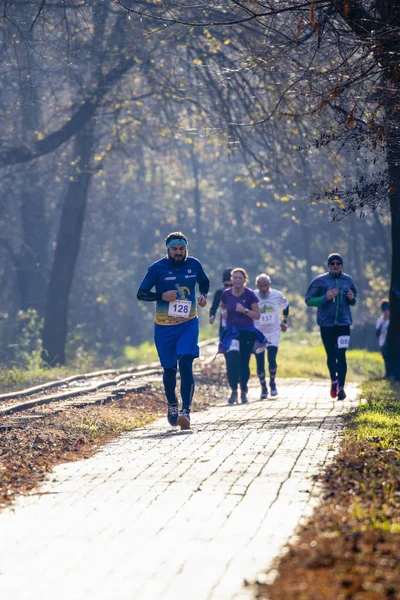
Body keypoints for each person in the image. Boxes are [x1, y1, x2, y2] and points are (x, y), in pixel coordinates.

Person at [137, 232, 209, 430]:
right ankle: (172, 405)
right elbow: (141, 294)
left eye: (181, 249)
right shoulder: (157, 268)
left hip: (188, 324)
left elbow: (204, 281)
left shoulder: (194, 264)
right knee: (169, 369)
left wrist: (203, 295)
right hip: (164, 327)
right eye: (174, 249)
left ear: (186, 249)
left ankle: (186, 411)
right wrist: (162, 295)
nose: (178, 253)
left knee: (186, 362)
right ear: (168, 250)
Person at [305, 253, 357, 400]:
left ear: (341, 265)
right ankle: (334, 380)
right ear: (328, 266)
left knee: (341, 354)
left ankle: (341, 386)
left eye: (338, 263)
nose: (335, 266)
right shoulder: (320, 281)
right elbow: (308, 300)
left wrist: (352, 299)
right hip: (326, 324)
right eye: (332, 263)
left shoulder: (348, 280)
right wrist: (325, 298)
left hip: (344, 323)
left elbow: (354, 299)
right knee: (331, 355)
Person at [219, 267, 263, 405]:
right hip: (232, 332)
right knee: (232, 360)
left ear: (245, 280)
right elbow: (221, 306)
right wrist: (223, 312)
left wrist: (245, 311)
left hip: (246, 332)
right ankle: (233, 391)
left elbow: (257, 315)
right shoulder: (226, 294)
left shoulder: (250, 295)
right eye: (235, 277)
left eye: (240, 278)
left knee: (244, 362)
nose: (237, 280)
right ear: (231, 279)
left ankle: (243, 390)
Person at [253, 274, 289, 398]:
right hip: (258, 332)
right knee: (260, 361)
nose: (263, 288)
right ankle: (263, 387)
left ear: (270, 284)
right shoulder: (252, 296)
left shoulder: (277, 295)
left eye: (266, 285)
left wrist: (284, 321)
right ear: (257, 285)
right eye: (261, 286)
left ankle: (272, 382)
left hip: (274, 332)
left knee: (272, 359)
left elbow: (286, 306)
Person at [209, 268, 233, 333]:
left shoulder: (241, 293)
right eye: (226, 285)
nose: (229, 288)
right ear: (223, 283)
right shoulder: (219, 293)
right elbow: (214, 307)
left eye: (231, 285)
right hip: (224, 326)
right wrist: (212, 316)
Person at [376, 299, 390, 378]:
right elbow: (377, 333)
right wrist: (383, 323)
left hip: (391, 343)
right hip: (383, 342)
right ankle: (387, 374)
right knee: (386, 359)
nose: (386, 312)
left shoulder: (393, 320)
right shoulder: (380, 320)